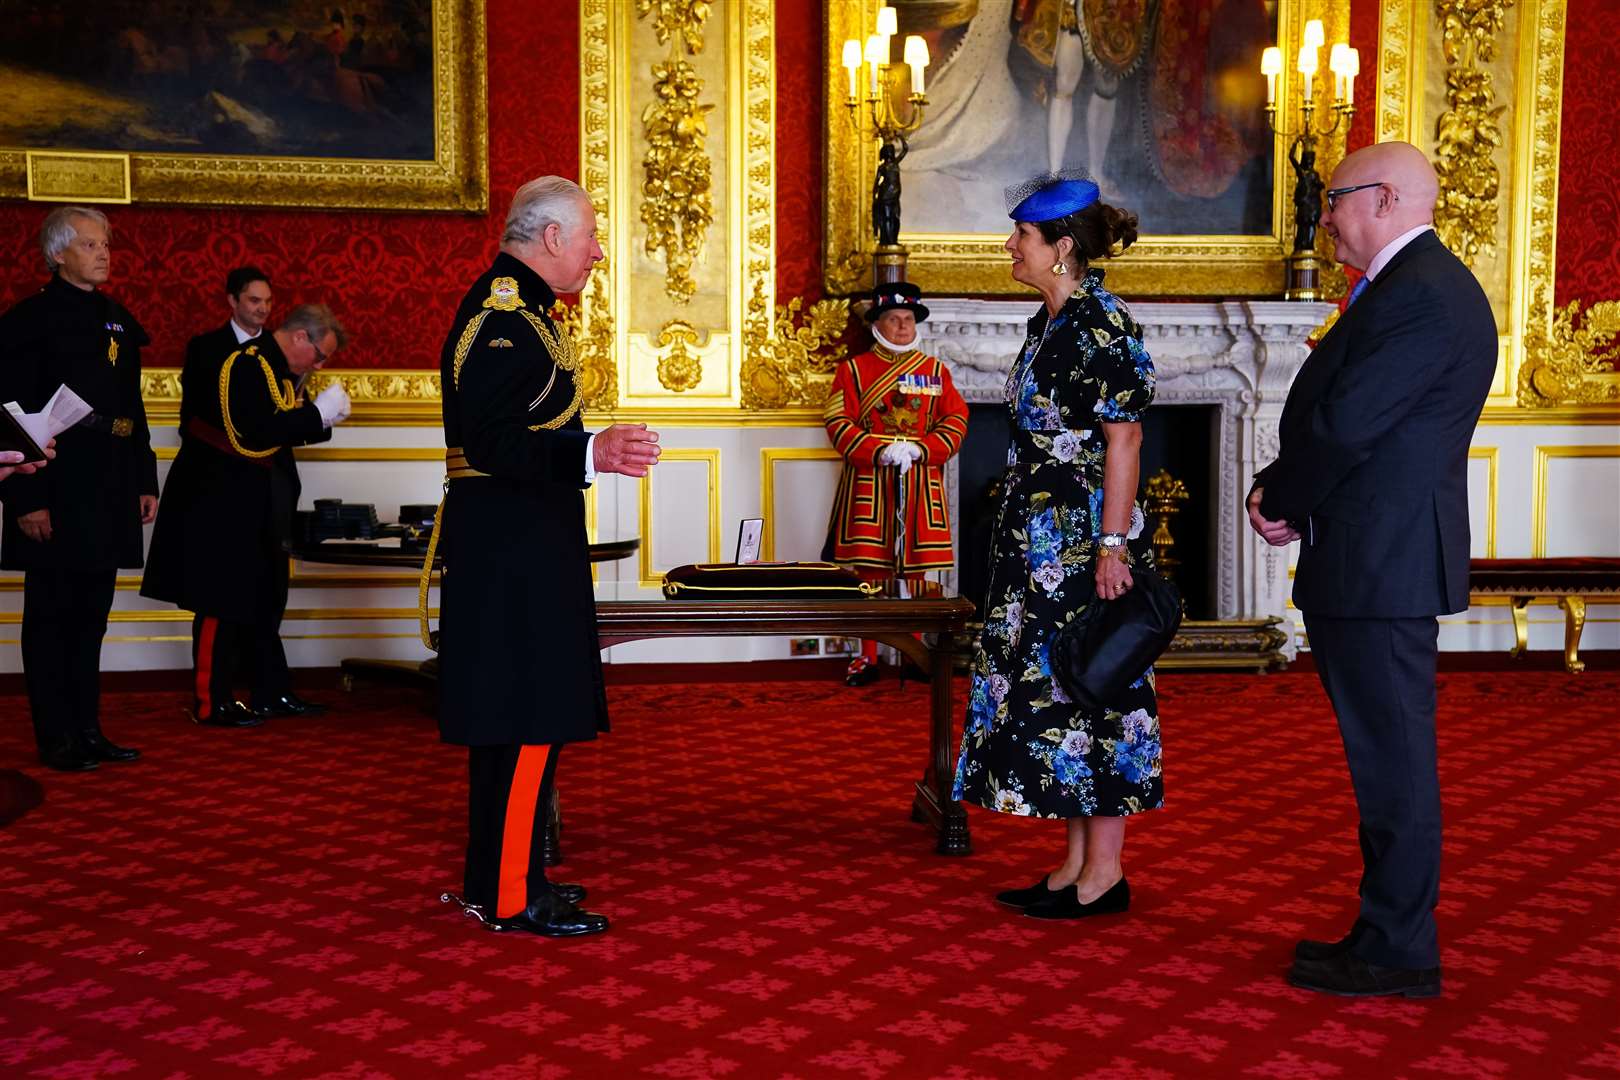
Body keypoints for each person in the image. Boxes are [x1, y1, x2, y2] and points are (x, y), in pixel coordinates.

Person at [1248, 141, 1495, 998]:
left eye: (1333, 200)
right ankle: (1384, 926)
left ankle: (1398, 949)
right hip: (1367, 555)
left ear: (1384, 198)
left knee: (1392, 762)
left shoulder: (1424, 295)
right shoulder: (1407, 288)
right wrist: (1285, 491)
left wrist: (1279, 496)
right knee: (1382, 758)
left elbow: (1351, 424)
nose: (1324, 218)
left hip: (1381, 564)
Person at [436, 176, 661, 938]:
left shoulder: (524, 310)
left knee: (521, 718)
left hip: (518, 544)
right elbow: (492, 442)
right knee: (527, 714)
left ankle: (509, 876)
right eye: (592, 237)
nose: (599, 252)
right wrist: (592, 450)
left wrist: (582, 452)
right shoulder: (506, 317)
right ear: (553, 238)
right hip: (513, 552)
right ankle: (507, 895)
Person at [952, 171, 1159, 919]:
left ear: (1061, 248)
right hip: (1036, 543)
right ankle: (1075, 863)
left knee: (1095, 687)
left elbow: (1124, 438)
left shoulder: (1102, 326)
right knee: (1058, 695)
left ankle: (1105, 872)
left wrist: (1111, 546)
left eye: (1022, 237)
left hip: (1079, 543)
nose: (1010, 246)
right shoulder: (1050, 322)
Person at [141, 298, 351, 727]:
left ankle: (269, 690)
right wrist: (316, 416)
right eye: (320, 354)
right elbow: (251, 433)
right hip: (220, 498)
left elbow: (278, 434)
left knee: (265, 597)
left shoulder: (280, 371)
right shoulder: (247, 364)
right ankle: (210, 700)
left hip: (258, 497)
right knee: (220, 597)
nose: (321, 364)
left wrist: (319, 420)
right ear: (299, 336)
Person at [0, 207, 159, 772]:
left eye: (106, 244)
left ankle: (88, 728)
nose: (103, 253)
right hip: (55, 482)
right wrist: (26, 499)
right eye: (90, 244)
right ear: (58, 253)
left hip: (112, 483)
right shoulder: (30, 321)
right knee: (52, 616)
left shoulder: (117, 319)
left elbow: (132, 409)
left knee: (92, 615)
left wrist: (145, 479)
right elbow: (11, 415)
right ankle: (56, 736)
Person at [822, 281, 968, 686]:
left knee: (919, 575)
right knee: (866, 574)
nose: (903, 327)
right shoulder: (853, 370)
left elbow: (956, 420)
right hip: (869, 484)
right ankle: (866, 658)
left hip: (920, 485)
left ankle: (916, 654)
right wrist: (876, 449)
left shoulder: (937, 371)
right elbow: (837, 422)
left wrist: (924, 449)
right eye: (894, 319)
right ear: (878, 324)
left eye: (908, 319)